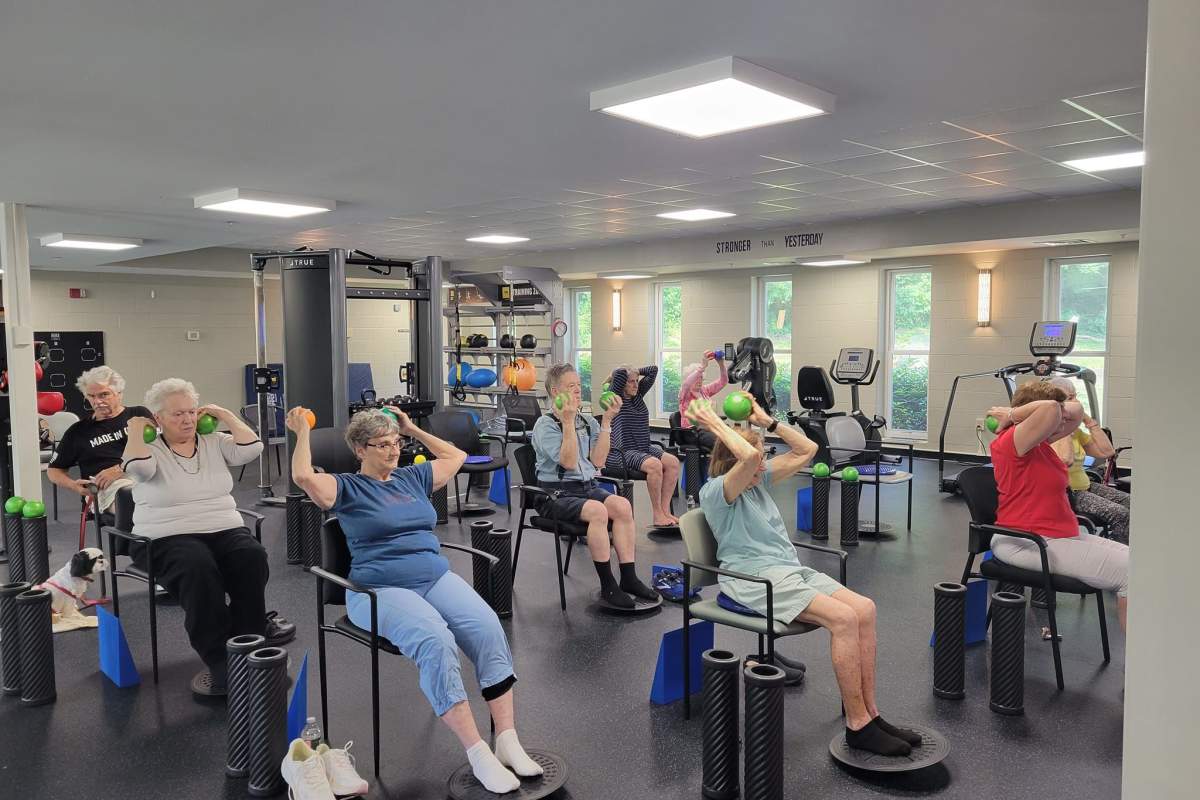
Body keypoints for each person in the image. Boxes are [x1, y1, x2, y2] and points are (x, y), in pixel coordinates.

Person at [287, 406, 543, 794]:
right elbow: (303, 475)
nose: (393, 451)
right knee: (436, 640)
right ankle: (478, 753)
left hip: (434, 577)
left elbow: (455, 457)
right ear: (359, 450)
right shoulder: (346, 488)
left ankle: (506, 739)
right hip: (377, 591)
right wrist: (301, 431)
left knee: (488, 626)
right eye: (383, 445)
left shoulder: (412, 476)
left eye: (396, 443)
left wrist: (413, 429)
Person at [689, 396, 921, 757]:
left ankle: (872, 715)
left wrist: (766, 421)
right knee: (843, 619)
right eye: (759, 458)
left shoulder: (757, 480)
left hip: (788, 571)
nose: (763, 463)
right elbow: (748, 458)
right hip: (752, 580)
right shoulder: (718, 492)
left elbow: (808, 449)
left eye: (764, 457)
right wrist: (714, 423)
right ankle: (857, 725)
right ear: (734, 463)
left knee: (865, 608)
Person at [120, 378, 294, 697]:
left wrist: (226, 415)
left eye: (191, 412)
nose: (187, 419)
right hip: (163, 536)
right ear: (157, 418)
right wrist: (135, 430)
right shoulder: (149, 447)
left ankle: (251, 644)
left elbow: (252, 448)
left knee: (251, 557)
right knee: (198, 568)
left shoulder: (213, 440)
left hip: (223, 528)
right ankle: (219, 659)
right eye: (177, 414)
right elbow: (140, 471)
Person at [987, 380, 1129, 632]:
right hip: (1025, 542)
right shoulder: (1012, 441)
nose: (1062, 420)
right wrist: (1013, 414)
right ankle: (1142, 667)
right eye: (1057, 414)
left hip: (1057, 536)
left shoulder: (1040, 442)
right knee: (1132, 575)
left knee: (1142, 563)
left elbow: (1074, 410)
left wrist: (1057, 407)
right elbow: (1051, 409)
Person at [532, 363, 657, 608]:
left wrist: (608, 421)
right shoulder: (545, 425)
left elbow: (599, 461)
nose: (578, 391)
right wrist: (567, 423)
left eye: (579, 386)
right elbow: (568, 463)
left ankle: (629, 578)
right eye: (571, 387)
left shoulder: (586, 421)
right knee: (598, 511)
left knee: (622, 506)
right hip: (553, 495)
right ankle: (608, 585)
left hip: (586, 488)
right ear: (556, 393)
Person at [47, 366, 152, 513]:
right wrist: (73, 485)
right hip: (107, 487)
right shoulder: (78, 431)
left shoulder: (139, 415)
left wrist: (121, 469)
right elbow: (54, 470)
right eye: (91, 396)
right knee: (135, 500)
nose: (97, 401)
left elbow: (161, 449)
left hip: (144, 477)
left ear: (119, 394)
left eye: (103, 395)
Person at [1046, 377, 1130, 543]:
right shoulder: (1048, 431)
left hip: (1086, 486)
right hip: (1067, 494)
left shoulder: (1077, 432)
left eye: (1075, 396)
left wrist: (1088, 421)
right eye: (1070, 398)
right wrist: (1065, 425)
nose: (1076, 401)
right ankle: (1118, 557)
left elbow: (1106, 452)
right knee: (1120, 514)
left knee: (1131, 501)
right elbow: (1065, 460)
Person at [606, 364, 682, 527]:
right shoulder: (615, 397)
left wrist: (636, 372)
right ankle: (657, 515)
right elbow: (619, 373)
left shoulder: (638, 395)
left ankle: (665, 511)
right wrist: (620, 373)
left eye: (636, 381)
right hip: (622, 452)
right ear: (620, 384)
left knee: (673, 462)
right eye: (631, 382)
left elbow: (653, 370)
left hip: (643, 447)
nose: (635, 384)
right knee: (654, 465)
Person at [677, 350, 728, 451]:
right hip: (693, 432)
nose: (699, 380)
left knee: (733, 437)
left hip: (709, 427)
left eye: (701, 378)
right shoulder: (685, 393)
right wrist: (703, 366)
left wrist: (721, 364)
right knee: (723, 443)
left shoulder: (704, 390)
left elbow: (723, 381)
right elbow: (687, 384)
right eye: (697, 378)